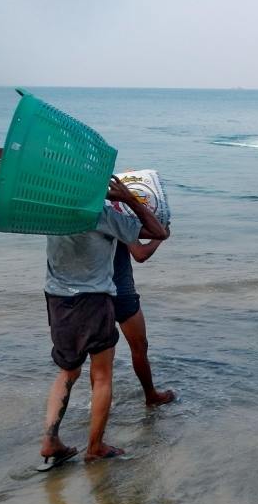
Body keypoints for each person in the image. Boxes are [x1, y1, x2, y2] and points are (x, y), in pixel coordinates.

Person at [38, 176, 170, 470]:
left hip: (57, 299)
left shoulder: (50, 214)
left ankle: (50, 439)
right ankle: (95, 447)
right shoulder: (103, 215)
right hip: (94, 300)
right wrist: (128, 200)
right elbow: (157, 232)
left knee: (67, 372)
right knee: (102, 376)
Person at [111, 237, 175, 407]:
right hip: (121, 290)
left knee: (100, 356)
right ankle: (151, 395)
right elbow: (140, 254)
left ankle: (99, 402)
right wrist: (160, 236)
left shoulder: (83, 216)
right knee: (139, 347)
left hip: (93, 291)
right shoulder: (116, 214)